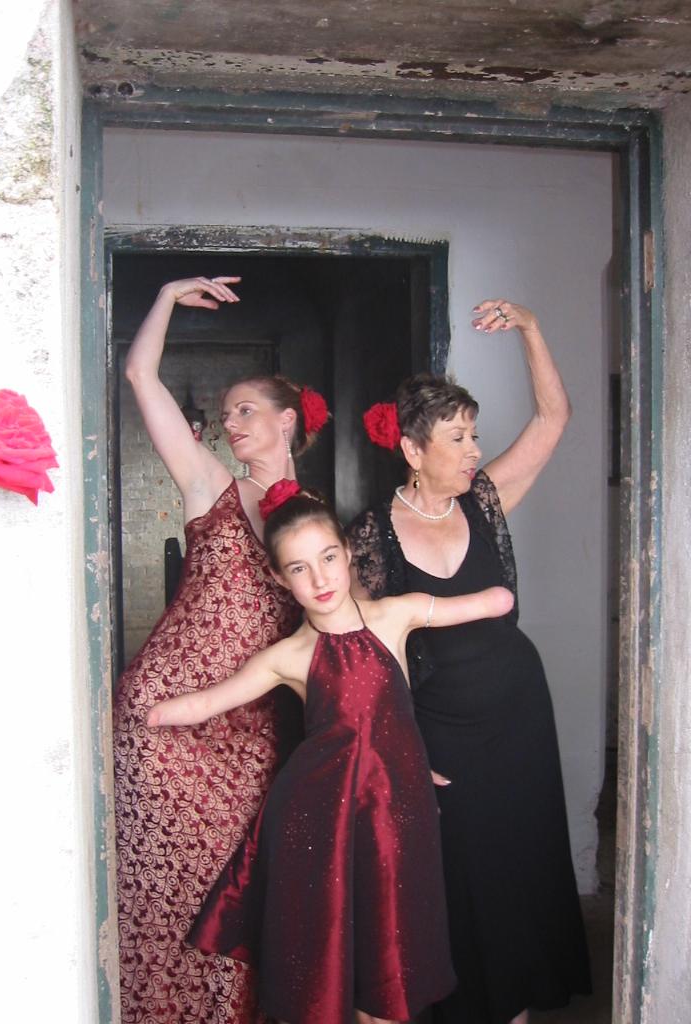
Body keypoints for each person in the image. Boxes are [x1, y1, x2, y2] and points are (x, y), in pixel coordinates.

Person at [147, 490, 514, 1024]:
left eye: (327, 558)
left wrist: (490, 599)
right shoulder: (288, 656)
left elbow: (492, 602)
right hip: (323, 819)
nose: (319, 580)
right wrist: (144, 713)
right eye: (299, 568)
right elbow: (207, 702)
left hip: (397, 816)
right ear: (279, 579)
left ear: (347, 554)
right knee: (333, 965)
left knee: (391, 966)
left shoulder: (393, 616)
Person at [348, 299, 592, 1024]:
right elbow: (367, 661)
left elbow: (554, 421)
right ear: (414, 451)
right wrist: (401, 748)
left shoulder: (486, 500)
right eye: (457, 438)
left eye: (475, 434)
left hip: (518, 715)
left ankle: (514, 1009)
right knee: (460, 879)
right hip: (441, 733)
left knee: (518, 868)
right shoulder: (370, 536)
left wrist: (533, 329)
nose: (474, 450)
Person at [114, 276, 329, 1024]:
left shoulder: (317, 525)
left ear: (288, 422)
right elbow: (141, 375)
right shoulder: (210, 485)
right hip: (164, 721)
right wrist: (169, 296)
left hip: (249, 739)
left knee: (224, 903)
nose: (231, 424)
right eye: (228, 412)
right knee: (155, 897)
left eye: (246, 411)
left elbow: (341, 641)